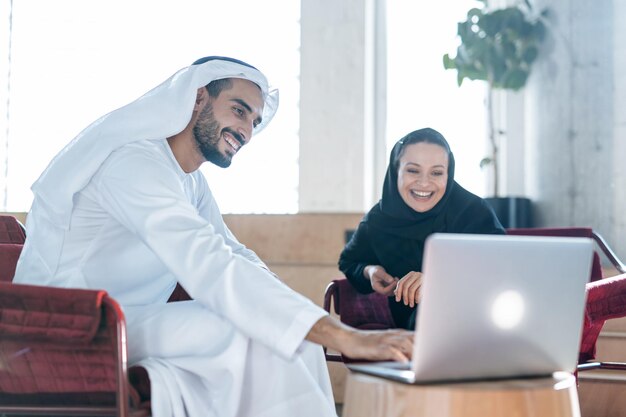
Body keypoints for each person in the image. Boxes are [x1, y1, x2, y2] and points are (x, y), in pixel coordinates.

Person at [12, 56, 413, 417]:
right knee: (252, 332)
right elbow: (209, 262)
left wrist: (298, 314)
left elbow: (235, 254)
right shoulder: (132, 163)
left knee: (291, 337)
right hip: (73, 324)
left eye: (254, 121)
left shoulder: (190, 182)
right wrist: (343, 335)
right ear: (198, 98)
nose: (246, 130)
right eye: (238, 110)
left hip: (130, 319)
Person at [338, 127, 505, 330]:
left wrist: (438, 280)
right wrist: (370, 271)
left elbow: (500, 268)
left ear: (448, 174)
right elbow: (349, 261)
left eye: (436, 172)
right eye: (413, 170)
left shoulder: (472, 212)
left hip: (477, 325)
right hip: (414, 333)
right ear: (395, 170)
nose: (424, 183)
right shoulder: (378, 220)